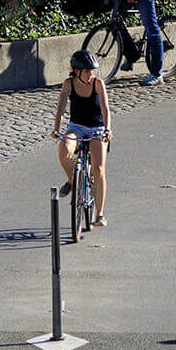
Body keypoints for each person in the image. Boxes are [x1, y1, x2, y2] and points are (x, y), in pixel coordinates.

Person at [52, 49, 112, 227]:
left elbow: (105, 109)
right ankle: (72, 180)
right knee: (64, 150)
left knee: (98, 169)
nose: (91, 74)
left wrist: (107, 129)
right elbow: (61, 108)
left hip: (96, 128)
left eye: (92, 70)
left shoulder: (98, 83)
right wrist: (56, 129)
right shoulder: (68, 84)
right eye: (87, 70)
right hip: (76, 127)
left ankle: (99, 214)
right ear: (77, 71)